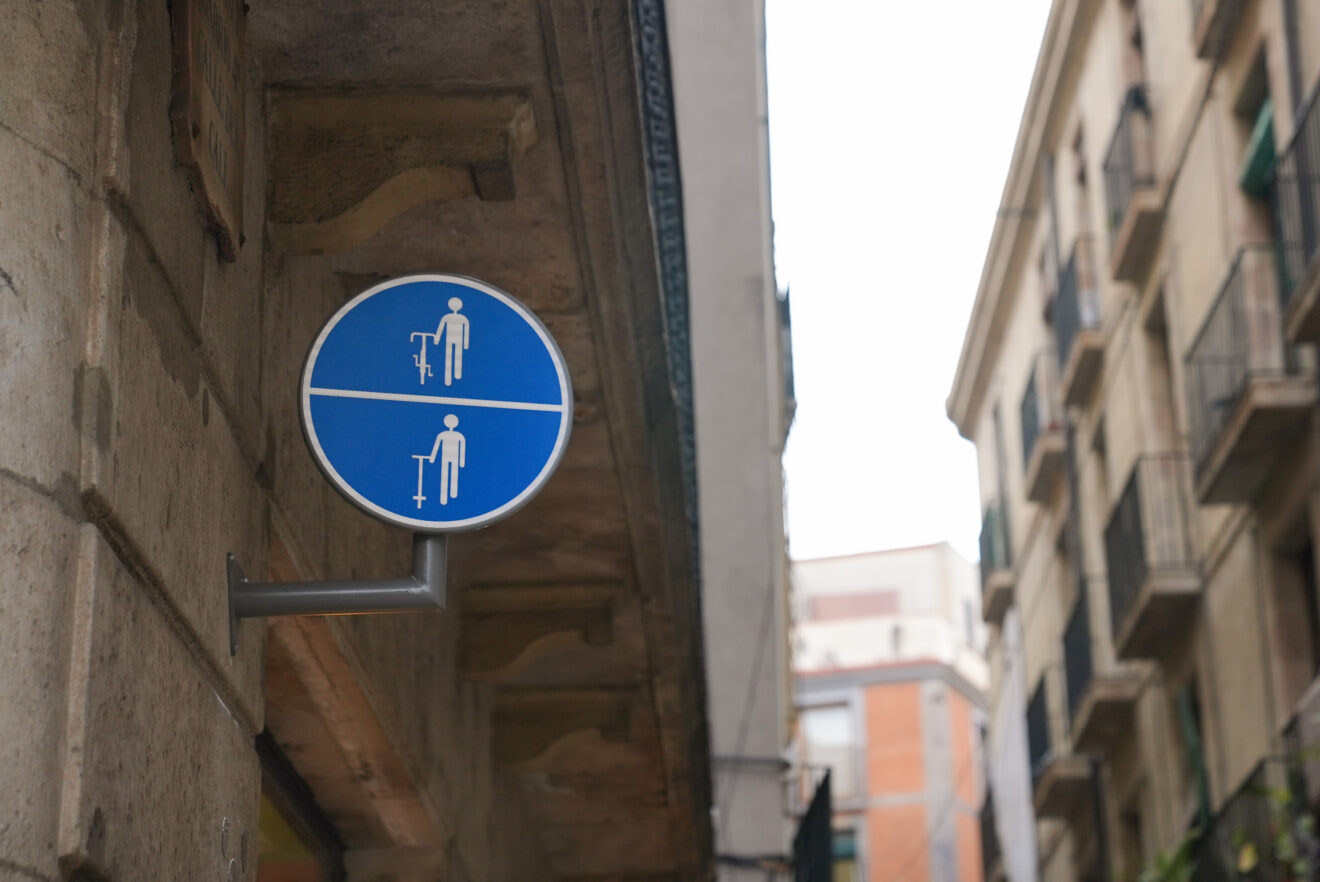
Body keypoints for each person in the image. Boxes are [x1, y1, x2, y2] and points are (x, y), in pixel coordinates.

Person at [425, 414, 466, 505]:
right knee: (449, 474)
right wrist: (432, 457)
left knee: (448, 474)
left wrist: (432, 458)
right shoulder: (457, 435)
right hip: (448, 457)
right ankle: (448, 496)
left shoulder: (447, 434)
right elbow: (436, 446)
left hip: (451, 457)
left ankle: (450, 495)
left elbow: (462, 448)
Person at [434, 297, 470, 386]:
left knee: (453, 357)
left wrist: (437, 339)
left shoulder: (453, 317)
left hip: (455, 340)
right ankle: (452, 377)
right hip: (453, 340)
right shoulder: (460, 318)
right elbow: (441, 328)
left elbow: (466, 331)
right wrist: (437, 339)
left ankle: (454, 377)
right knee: (452, 357)